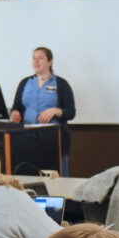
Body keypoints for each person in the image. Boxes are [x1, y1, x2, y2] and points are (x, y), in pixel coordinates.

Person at [10, 47, 76, 176]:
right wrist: (15, 113)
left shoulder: (61, 84)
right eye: (34, 58)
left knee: (56, 179)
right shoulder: (25, 83)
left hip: (53, 140)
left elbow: (71, 112)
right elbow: (16, 107)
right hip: (26, 138)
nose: (36, 61)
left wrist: (56, 111)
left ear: (50, 62)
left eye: (40, 58)